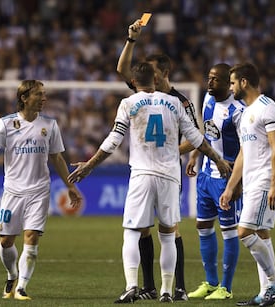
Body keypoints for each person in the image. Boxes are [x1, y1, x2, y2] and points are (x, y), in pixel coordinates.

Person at [68, 62, 232, 303]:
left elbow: (113, 140)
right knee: (168, 235)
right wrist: (218, 159)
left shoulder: (129, 103)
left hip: (142, 175)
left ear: (134, 83)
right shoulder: (174, 103)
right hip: (169, 176)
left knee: (132, 232)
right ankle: (167, 290)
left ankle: (132, 286)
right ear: (155, 81)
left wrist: (89, 165)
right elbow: (197, 138)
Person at [0, 80, 83, 301]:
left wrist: (70, 186)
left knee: (32, 236)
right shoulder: (6, 124)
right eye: (39, 95)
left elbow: (57, 158)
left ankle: (22, 287)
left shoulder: (50, 125)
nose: (44, 98)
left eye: (44, 94)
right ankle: (12, 274)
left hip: (39, 190)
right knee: (6, 241)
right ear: (24, 98)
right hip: (13, 191)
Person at [116, 18, 198, 301]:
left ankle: (179, 287)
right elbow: (122, 69)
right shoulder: (142, 95)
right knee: (143, 231)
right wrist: (131, 39)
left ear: (163, 72)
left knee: (171, 229)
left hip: (167, 171)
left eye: (151, 71)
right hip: (147, 170)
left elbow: (195, 135)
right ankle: (150, 287)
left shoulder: (180, 101)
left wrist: (174, 152)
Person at [219, 63, 275, 307]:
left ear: (244, 82)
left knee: (244, 232)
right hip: (250, 181)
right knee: (261, 234)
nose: (231, 87)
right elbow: (243, 154)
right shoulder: (246, 113)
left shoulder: (268, 109)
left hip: (263, 180)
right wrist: (230, 187)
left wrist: (274, 185)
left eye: (233, 82)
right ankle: (264, 293)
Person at [184, 63, 245, 300]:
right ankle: (211, 283)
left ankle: (226, 288)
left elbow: (246, 148)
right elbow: (205, 132)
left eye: (215, 79)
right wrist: (193, 155)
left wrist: (237, 182)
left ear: (227, 84)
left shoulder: (238, 111)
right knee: (203, 227)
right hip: (206, 175)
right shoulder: (208, 101)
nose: (209, 83)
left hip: (226, 178)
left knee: (229, 232)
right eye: (208, 78)